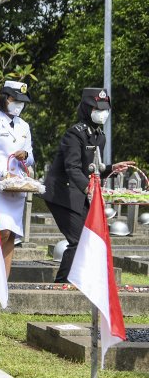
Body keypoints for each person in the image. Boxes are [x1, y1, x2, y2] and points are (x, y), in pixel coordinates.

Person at [43, 88, 134, 283]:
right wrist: (89, 188)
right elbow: (72, 168)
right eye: (97, 108)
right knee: (77, 240)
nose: (102, 113)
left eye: (105, 109)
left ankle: (79, 281)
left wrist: (111, 168)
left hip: (79, 192)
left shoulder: (99, 136)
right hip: (61, 193)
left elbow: (92, 169)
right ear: (86, 108)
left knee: (89, 238)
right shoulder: (74, 135)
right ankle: (62, 285)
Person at [0, 80, 35, 276]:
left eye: (22, 101)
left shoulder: (24, 126)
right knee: (0, 232)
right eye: (14, 99)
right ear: (5, 99)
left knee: (11, 234)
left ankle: (3, 282)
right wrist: (1, 173)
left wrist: (25, 156)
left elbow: (31, 157)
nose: (18, 104)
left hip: (16, 186)